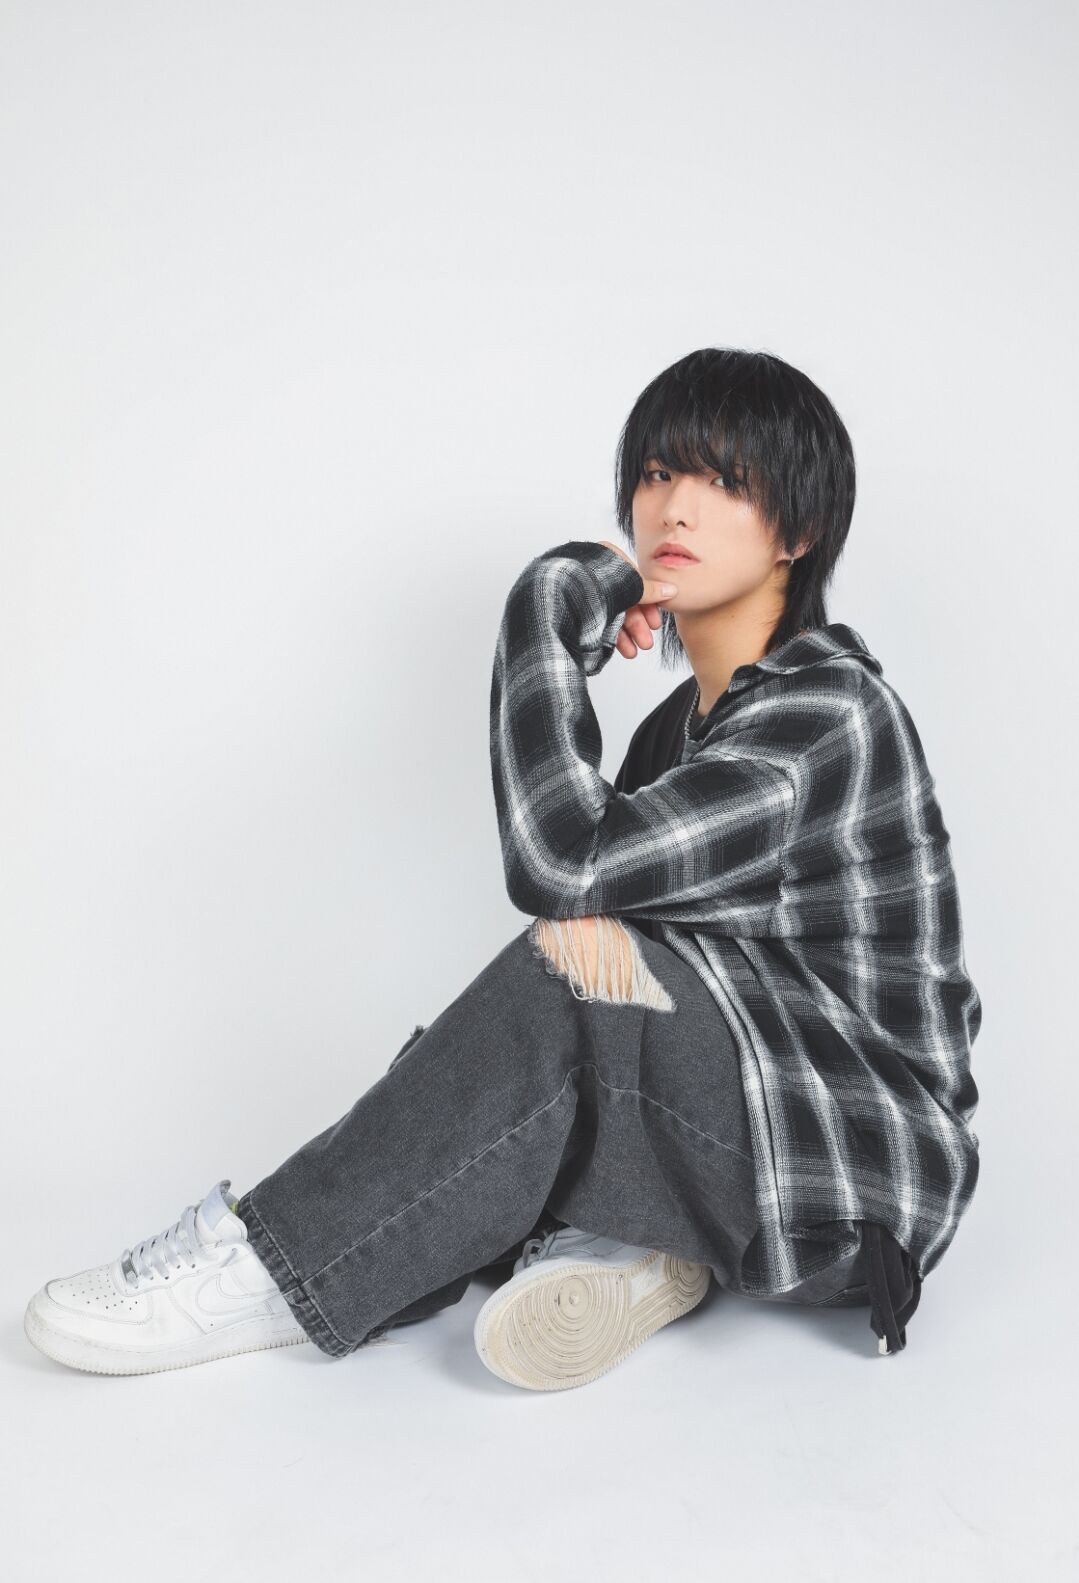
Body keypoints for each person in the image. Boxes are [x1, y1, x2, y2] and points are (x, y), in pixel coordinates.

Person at [23, 347, 982, 1388]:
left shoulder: (825, 714)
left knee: (567, 966)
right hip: (742, 1113)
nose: (674, 507)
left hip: (845, 1169)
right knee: (583, 952)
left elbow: (562, 859)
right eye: (657, 472)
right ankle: (626, 1230)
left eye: (725, 481)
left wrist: (545, 603)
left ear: (796, 533)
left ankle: (271, 1266)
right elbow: (600, 907)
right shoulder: (679, 731)